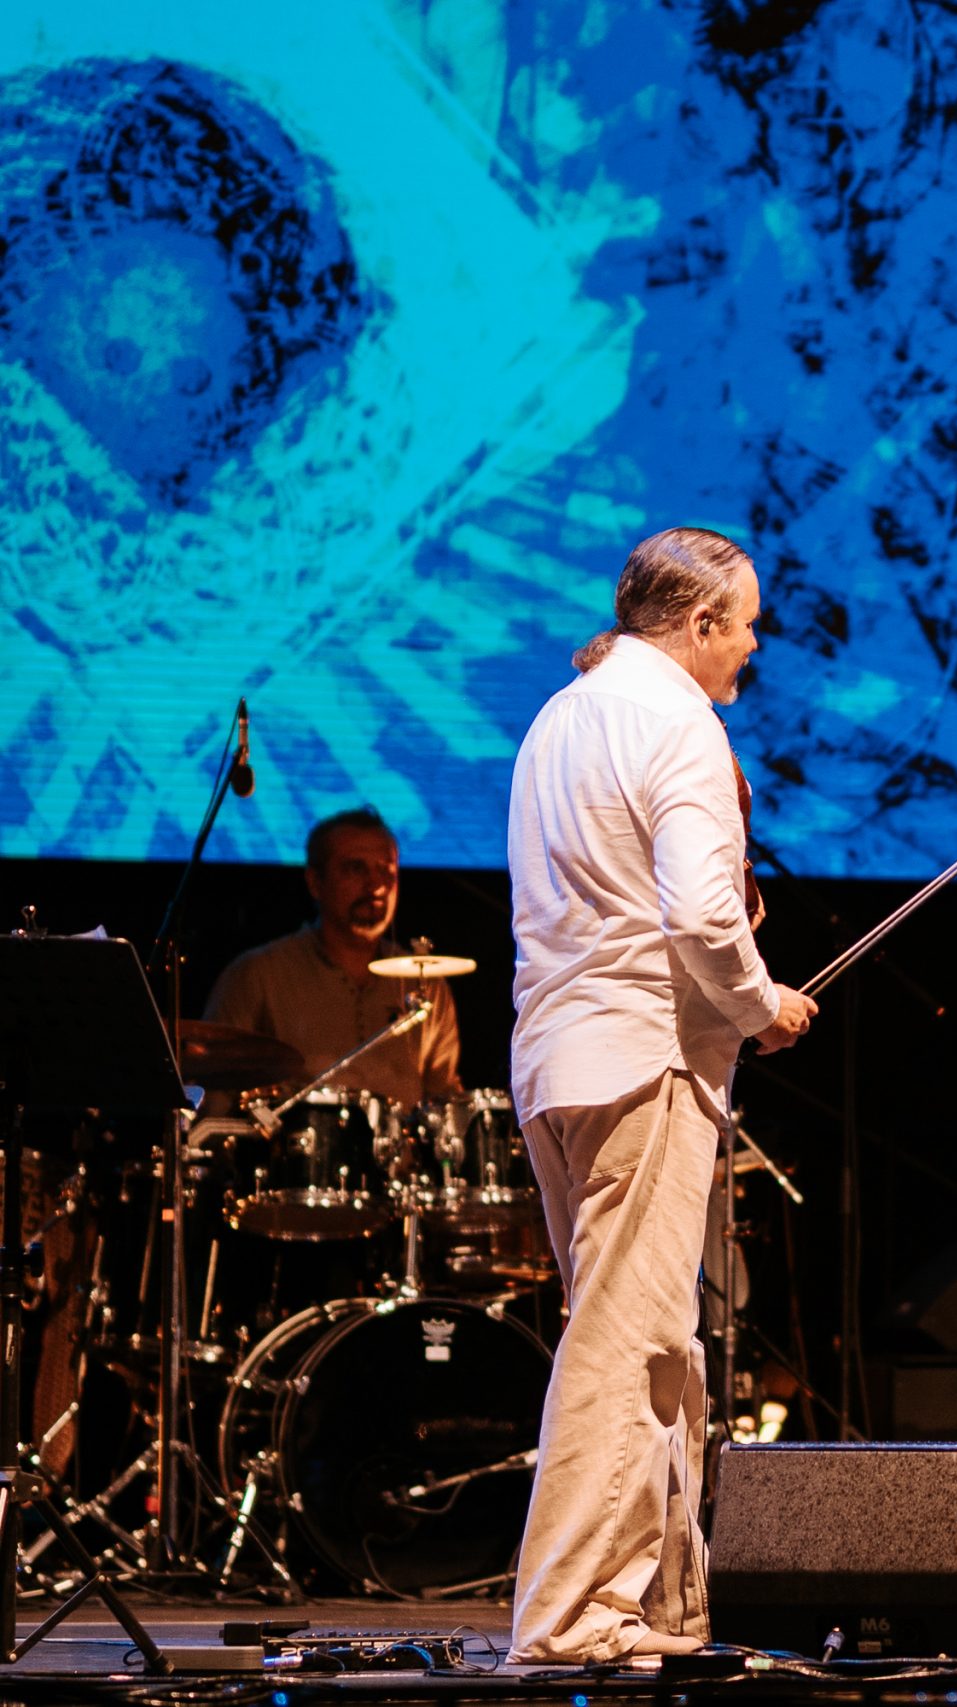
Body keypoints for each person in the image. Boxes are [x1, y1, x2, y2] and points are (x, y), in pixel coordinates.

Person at [505, 526, 818, 1662]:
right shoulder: (679, 721)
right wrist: (760, 1003)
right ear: (698, 622)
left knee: (655, 1345)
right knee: (625, 1344)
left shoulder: (561, 714)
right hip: (643, 1062)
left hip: (558, 1062)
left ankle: (662, 1604)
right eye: (745, 627)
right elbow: (696, 914)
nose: (752, 648)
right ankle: (573, 1616)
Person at [200, 806, 464, 1106]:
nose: (376, 885)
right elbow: (215, 1099)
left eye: (386, 869)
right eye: (355, 868)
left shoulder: (427, 983)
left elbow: (443, 1101)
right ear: (315, 882)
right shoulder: (258, 975)